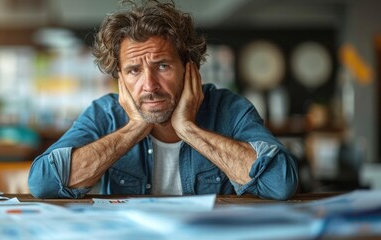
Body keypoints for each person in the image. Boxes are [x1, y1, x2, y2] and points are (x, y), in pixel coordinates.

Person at [28, 0, 298, 200]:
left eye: (163, 66)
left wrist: (189, 130)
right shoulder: (104, 113)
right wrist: (135, 127)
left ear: (189, 68)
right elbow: (42, 182)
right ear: (120, 78)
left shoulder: (230, 109)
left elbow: (280, 183)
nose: (149, 85)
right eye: (134, 70)